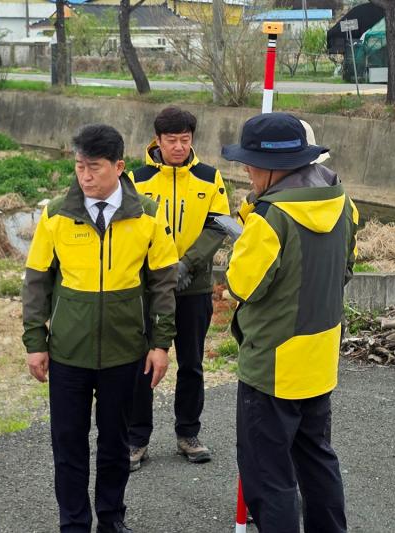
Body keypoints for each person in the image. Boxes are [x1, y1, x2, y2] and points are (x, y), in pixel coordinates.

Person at [22, 124, 179, 533]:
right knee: (68, 446)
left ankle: (111, 520)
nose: (85, 176)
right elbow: (36, 280)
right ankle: (73, 524)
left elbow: (163, 283)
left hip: (125, 353)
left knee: (115, 446)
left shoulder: (146, 214)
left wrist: (160, 344)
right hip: (68, 353)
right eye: (79, 166)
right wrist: (35, 341)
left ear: (119, 166)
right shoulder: (56, 214)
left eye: (94, 167)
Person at [222, 112, 358, 533]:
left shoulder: (269, 217)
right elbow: (346, 269)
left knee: (270, 478)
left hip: (273, 368)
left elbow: (242, 284)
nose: (245, 170)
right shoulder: (341, 200)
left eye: (249, 163)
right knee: (317, 460)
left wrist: (247, 222)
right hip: (319, 359)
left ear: (270, 167)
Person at [127, 106, 230, 471]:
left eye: (185, 140)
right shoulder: (137, 179)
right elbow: (129, 228)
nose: (179, 147)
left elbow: (219, 225)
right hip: (148, 287)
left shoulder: (209, 177)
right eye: (171, 141)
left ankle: (188, 433)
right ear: (157, 140)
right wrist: (160, 271)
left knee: (192, 363)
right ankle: (136, 438)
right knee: (144, 361)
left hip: (194, 285)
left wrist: (188, 264)